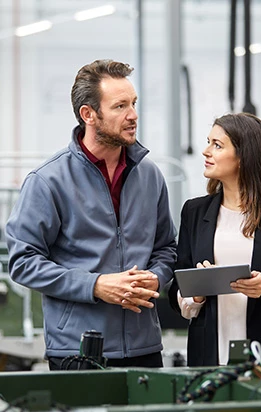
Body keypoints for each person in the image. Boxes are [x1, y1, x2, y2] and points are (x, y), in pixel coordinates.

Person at [5, 59, 177, 370]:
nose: (133, 115)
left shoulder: (150, 175)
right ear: (89, 115)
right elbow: (23, 262)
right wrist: (95, 286)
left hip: (145, 347)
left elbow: (166, 247)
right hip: (78, 350)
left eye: (134, 103)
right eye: (120, 106)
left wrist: (157, 277)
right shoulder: (48, 181)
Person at [168, 112, 261, 382]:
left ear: (244, 156)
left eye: (217, 145)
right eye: (208, 142)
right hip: (208, 361)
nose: (205, 151)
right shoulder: (193, 211)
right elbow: (178, 288)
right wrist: (197, 293)